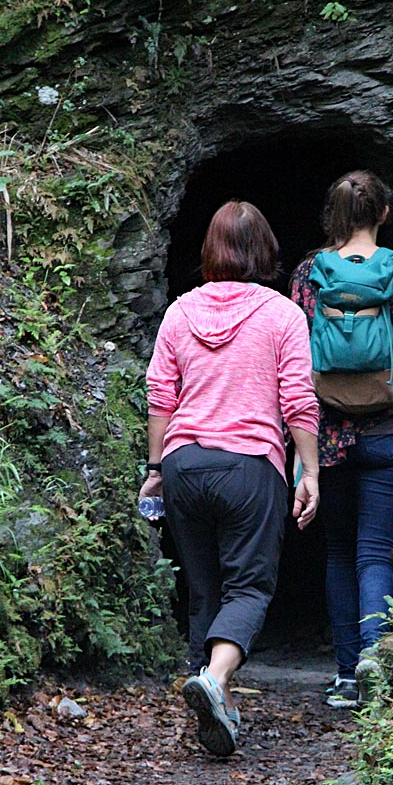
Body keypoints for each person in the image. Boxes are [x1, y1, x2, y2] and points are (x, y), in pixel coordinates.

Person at [139, 200, 320, 756]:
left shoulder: (178, 312)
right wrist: (309, 469)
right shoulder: (283, 314)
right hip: (249, 466)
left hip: (184, 464)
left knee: (204, 592)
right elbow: (297, 399)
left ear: (210, 249)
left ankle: (211, 712)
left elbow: (159, 397)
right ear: (265, 249)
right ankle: (216, 682)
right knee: (249, 586)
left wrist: (154, 470)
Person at [290, 170, 393, 707]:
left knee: (337, 553)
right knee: (375, 552)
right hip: (385, 431)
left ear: (333, 215)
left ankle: (347, 674)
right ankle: (377, 675)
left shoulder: (310, 274)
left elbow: (294, 358)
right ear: (383, 214)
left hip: (326, 435)